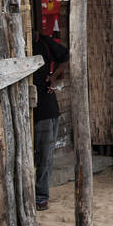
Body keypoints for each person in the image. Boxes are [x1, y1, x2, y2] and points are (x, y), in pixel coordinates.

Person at [33, 29, 69, 211]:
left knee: (44, 157)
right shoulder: (10, 46)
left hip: (46, 110)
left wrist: (54, 77)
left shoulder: (43, 42)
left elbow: (66, 56)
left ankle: (40, 196)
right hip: (25, 110)